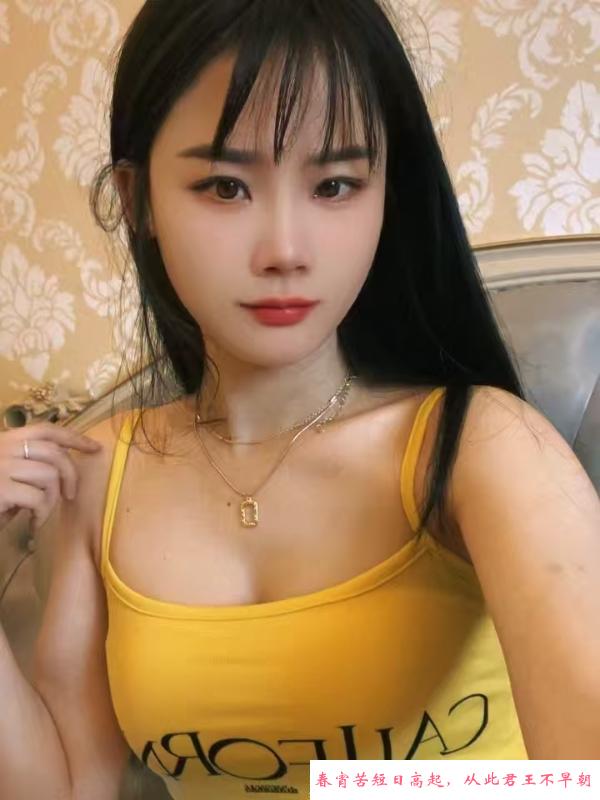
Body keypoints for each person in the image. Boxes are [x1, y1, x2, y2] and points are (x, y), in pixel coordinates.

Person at [1, 1, 599, 798]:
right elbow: (69, 788)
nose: (286, 250)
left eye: (336, 184)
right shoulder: (95, 474)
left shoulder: (479, 445)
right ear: (138, 201)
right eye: (224, 186)